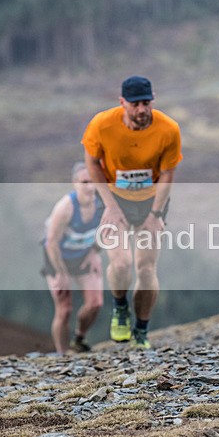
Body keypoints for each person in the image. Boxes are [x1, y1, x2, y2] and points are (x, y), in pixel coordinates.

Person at [82, 76, 182, 349]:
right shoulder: (101, 125)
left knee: (146, 268)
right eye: (136, 104)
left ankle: (141, 330)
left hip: (151, 200)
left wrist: (156, 215)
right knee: (122, 262)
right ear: (122, 102)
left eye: (147, 103)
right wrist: (110, 206)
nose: (142, 110)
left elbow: (168, 174)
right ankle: (120, 308)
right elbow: (91, 162)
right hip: (113, 197)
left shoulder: (168, 129)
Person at [42, 162, 105, 355]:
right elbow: (51, 242)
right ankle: (62, 355)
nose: (90, 187)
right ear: (74, 183)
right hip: (57, 259)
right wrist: (61, 273)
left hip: (83, 257)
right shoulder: (65, 208)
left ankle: (78, 339)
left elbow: (108, 232)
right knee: (64, 308)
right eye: (84, 182)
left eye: (93, 181)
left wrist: (94, 252)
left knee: (95, 303)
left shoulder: (102, 203)